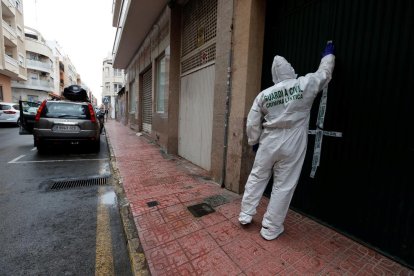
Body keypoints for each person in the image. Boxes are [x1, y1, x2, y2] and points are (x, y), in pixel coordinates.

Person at [239, 42, 335, 240]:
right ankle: (271, 228)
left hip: (268, 141)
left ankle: (245, 215)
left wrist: (253, 141)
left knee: (257, 177)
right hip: (293, 142)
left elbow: (252, 121)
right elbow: (324, 74)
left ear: (275, 75)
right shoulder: (304, 84)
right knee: (283, 185)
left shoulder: (265, 94)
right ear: (290, 70)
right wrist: (328, 56)